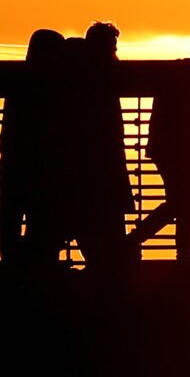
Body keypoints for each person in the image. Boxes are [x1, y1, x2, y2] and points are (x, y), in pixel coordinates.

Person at [127, 47, 190, 262]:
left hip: (167, 149)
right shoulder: (188, 79)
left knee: (181, 202)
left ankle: (139, 241)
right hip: (178, 150)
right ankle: (137, 241)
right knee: (184, 203)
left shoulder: (173, 73)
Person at [63, 22, 133, 268]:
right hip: (102, 160)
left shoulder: (74, 71)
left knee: (89, 220)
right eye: (112, 46)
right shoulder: (101, 75)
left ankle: (100, 268)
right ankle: (108, 270)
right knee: (106, 220)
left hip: (87, 162)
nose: (115, 51)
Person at [0, 29, 67, 267]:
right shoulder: (54, 84)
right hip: (40, 160)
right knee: (40, 213)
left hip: (14, 157)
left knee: (10, 213)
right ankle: (39, 263)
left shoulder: (16, 80)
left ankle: (14, 263)